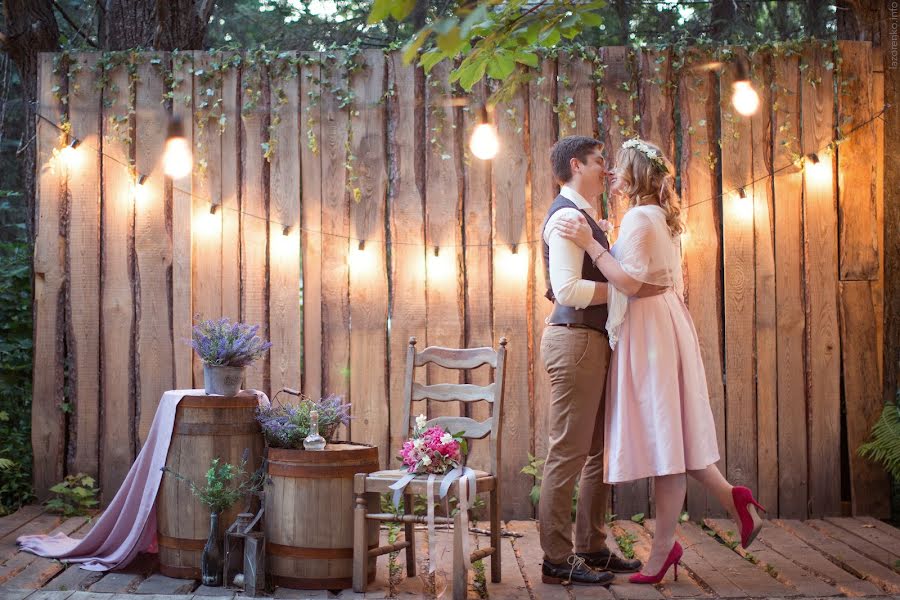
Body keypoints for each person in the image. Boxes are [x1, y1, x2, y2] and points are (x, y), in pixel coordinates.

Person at [550, 138, 766, 584]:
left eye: (617, 167)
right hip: (664, 325)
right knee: (674, 432)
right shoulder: (659, 219)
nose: (610, 173)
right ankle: (727, 501)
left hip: (649, 332)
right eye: (601, 164)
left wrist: (594, 245)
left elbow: (630, 281)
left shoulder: (639, 219)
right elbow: (643, 279)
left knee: (669, 435)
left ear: (634, 176)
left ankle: (668, 544)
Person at [537, 135, 658, 586]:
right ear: (576, 165)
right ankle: (555, 557)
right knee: (568, 450)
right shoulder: (568, 217)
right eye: (598, 161)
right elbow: (567, 290)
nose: (607, 170)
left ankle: (591, 546)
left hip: (593, 341)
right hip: (575, 341)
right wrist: (624, 289)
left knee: (597, 452)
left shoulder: (586, 218)